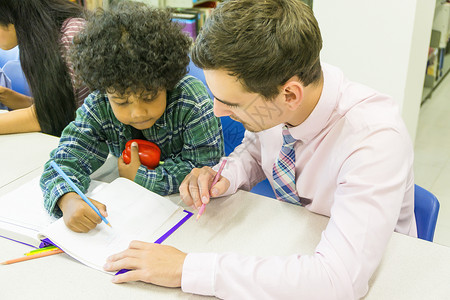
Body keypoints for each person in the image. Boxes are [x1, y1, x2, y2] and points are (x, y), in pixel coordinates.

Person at [102, 0, 416, 299]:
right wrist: (228, 175)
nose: (216, 111)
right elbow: (257, 147)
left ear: (290, 95)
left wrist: (186, 268)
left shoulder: (374, 140)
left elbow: (337, 282)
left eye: (230, 102)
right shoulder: (286, 89)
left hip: (372, 278)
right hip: (294, 246)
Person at [40, 2, 224, 233]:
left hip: (193, 218)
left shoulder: (190, 100)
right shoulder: (99, 104)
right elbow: (64, 160)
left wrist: (142, 177)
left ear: (167, 81)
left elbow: (204, 168)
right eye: (121, 101)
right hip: (132, 218)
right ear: (103, 89)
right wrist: (67, 198)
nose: (137, 112)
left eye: (149, 97)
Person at [0, 0, 89, 136]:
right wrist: (15, 99)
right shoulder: (40, 43)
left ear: (9, 15)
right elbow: (60, 108)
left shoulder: (72, 35)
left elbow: (52, 117)